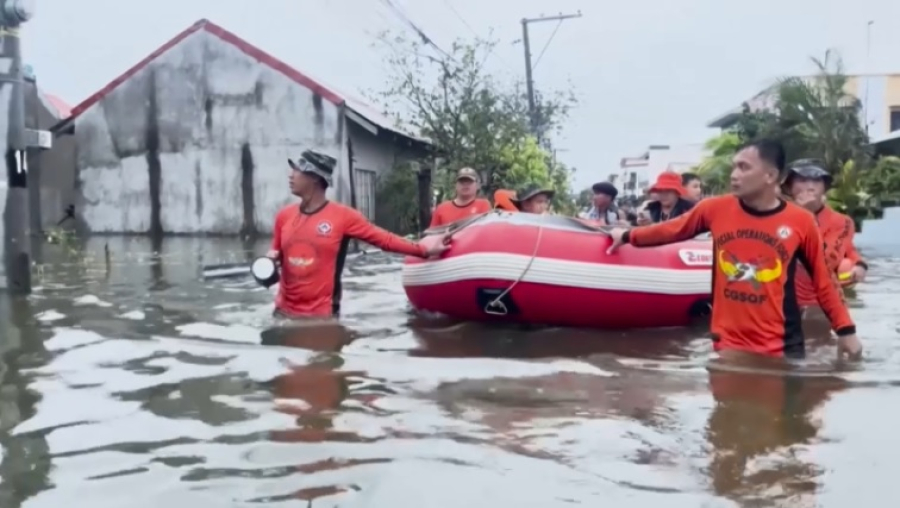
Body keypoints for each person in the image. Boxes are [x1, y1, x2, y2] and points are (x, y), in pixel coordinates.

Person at [606, 139, 862, 360]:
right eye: (734, 167)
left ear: (770, 176)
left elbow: (823, 280)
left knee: (786, 417)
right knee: (727, 413)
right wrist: (628, 235)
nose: (734, 175)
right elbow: (671, 230)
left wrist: (846, 331)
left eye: (744, 167)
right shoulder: (714, 209)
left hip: (783, 346)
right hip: (728, 342)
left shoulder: (801, 221)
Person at [267, 150, 449, 318]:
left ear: (314, 177)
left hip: (321, 316)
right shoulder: (284, 216)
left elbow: (384, 240)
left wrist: (424, 250)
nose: (291, 176)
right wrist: (270, 262)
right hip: (282, 313)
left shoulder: (343, 216)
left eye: (297, 171)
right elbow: (275, 255)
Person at [782, 159, 868, 308]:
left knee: (846, 265)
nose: (809, 186)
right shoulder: (775, 216)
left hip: (818, 294)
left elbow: (832, 255)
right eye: (802, 180)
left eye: (816, 180)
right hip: (783, 292)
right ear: (789, 187)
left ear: (825, 187)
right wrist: (804, 214)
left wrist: (860, 265)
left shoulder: (842, 222)